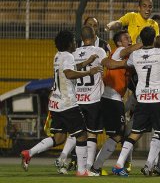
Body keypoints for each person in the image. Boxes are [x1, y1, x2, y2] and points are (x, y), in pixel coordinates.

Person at [103, 26, 160, 177]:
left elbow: (121, 64)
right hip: (159, 100)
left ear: (142, 40)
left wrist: (107, 61)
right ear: (155, 38)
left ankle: (118, 165)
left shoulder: (135, 55)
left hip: (142, 100)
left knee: (135, 134)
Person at [20, 29, 102, 176]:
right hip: (67, 103)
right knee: (82, 135)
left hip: (56, 103)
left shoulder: (58, 56)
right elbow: (69, 73)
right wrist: (89, 72)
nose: (75, 42)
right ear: (69, 43)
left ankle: (29, 152)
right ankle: (82, 171)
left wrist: (86, 63)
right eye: (73, 40)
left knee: (59, 138)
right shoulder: (69, 56)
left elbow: (68, 69)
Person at [55, 26, 107, 174]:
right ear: (95, 35)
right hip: (93, 99)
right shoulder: (99, 51)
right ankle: (88, 167)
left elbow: (71, 69)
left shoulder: (74, 53)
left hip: (77, 99)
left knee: (76, 133)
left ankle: (64, 159)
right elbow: (107, 64)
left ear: (81, 39)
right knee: (91, 134)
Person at [91, 30, 142, 176]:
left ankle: (100, 166)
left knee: (121, 134)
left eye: (130, 37)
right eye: (126, 38)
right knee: (118, 135)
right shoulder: (119, 51)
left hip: (112, 98)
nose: (130, 40)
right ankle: (96, 167)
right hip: (111, 98)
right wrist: (145, 42)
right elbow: (129, 49)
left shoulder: (125, 57)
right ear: (119, 43)